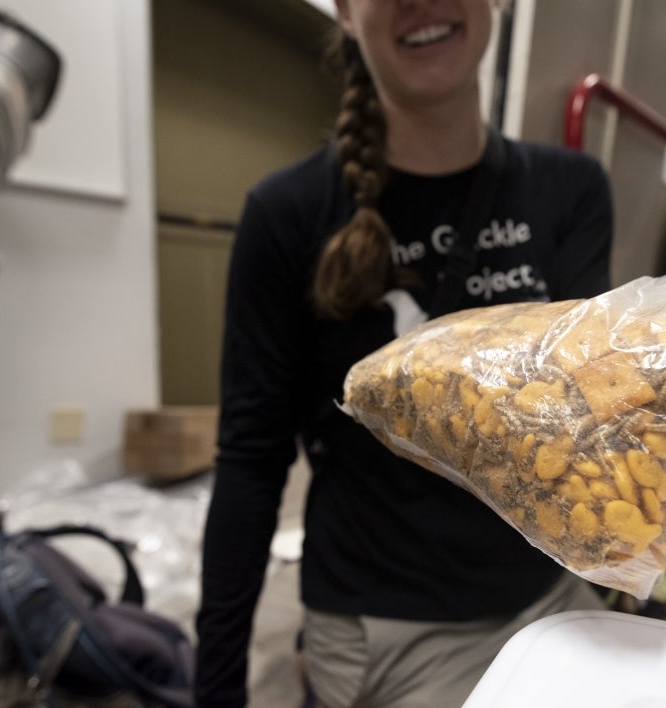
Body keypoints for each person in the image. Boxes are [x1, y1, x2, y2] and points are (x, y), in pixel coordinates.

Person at [194, 0, 614, 705]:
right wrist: (216, 689)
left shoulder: (571, 192)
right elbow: (251, 460)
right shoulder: (288, 213)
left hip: (547, 594)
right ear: (347, 13)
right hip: (387, 629)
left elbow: (585, 420)